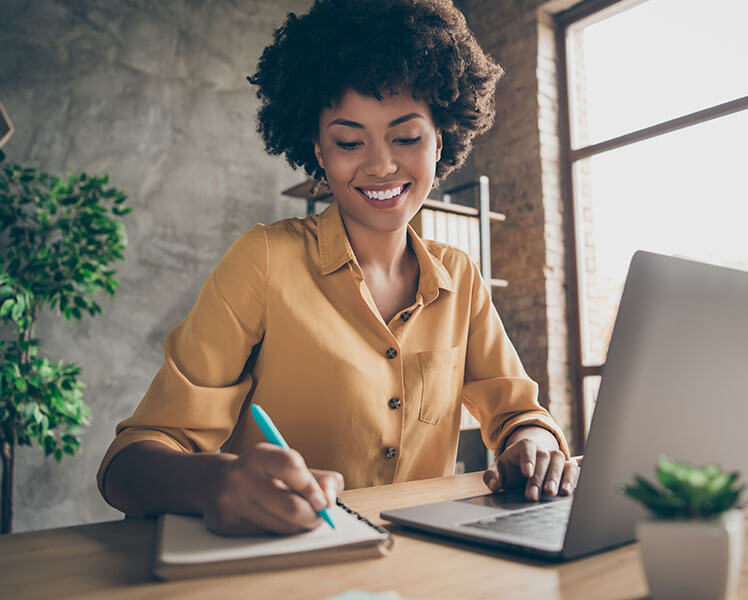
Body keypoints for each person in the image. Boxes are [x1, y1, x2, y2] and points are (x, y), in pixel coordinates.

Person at [97, 0, 577, 536]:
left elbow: (519, 413)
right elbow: (127, 468)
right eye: (349, 141)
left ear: (440, 140)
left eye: (406, 137)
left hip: (425, 570)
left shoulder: (459, 276)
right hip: (281, 569)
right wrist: (215, 483)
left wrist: (531, 445)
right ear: (320, 152)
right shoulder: (264, 262)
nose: (379, 164)